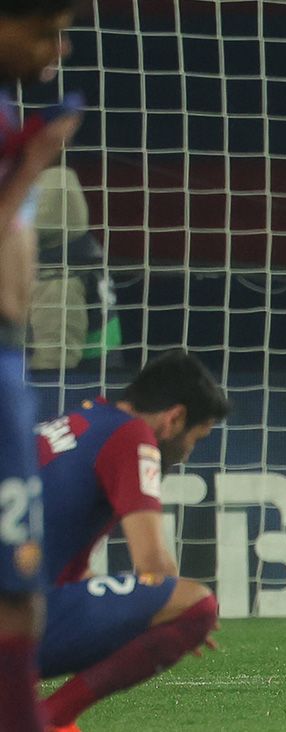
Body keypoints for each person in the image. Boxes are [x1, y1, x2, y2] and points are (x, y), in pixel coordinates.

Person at [34, 349, 230, 730]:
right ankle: (48, 717)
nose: (187, 455)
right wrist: (175, 613)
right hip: (17, 619)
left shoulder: (78, 420)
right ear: (175, 419)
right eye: (195, 439)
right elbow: (154, 568)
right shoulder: (131, 435)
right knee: (197, 605)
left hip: (22, 603)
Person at [0, 3, 81, 729]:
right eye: (44, 30)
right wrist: (29, 167)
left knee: (18, 587)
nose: (55, 51)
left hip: (8, 366)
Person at [28, 165, 121, 371]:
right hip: (99, 381)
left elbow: (54, 361)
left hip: (75, 392)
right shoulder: (78, 248)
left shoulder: (56, 273)